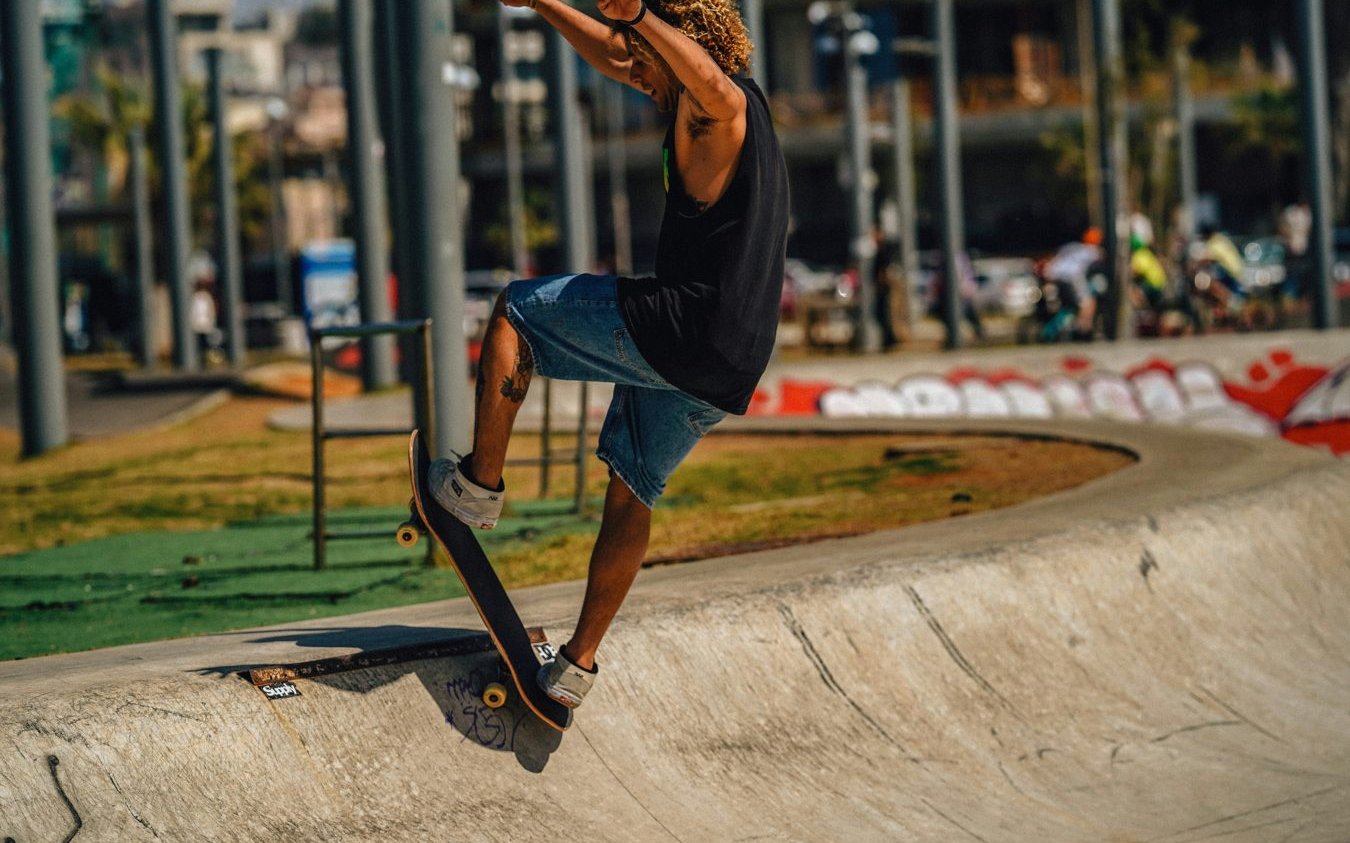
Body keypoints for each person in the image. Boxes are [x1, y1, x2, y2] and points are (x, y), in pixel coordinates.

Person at [429, 0, 789, 709]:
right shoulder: (718, 102)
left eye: (646, 61)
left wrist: (646, 16)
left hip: (681, 327)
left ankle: (479, 487)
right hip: (730, 365)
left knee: (515, 313)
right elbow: (619, 55)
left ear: (681, 44)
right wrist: (547, 6)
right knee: (632, 488)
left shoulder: (717, 107)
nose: (637, 78)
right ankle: (575, 666)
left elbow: (701, 80)